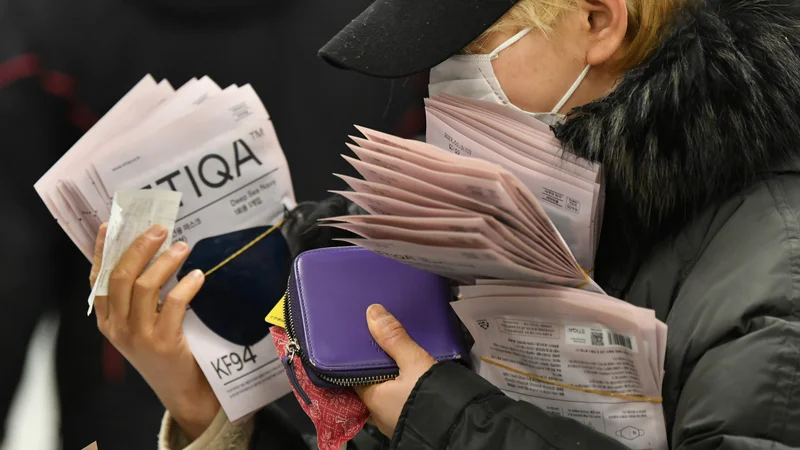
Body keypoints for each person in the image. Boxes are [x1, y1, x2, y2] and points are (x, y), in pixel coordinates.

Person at [91, 0, 800, 448]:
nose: (440, 85)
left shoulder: (775, 259)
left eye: (470, 45)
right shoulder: (492, 221)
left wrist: (445, 416)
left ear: (598, 19)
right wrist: (203, 406)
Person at [1, 0, 424, 447]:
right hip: (371, 382)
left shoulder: (47, 25)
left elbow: (10, 268)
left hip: (139, 399)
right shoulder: (398, 17)